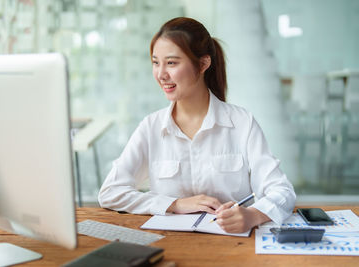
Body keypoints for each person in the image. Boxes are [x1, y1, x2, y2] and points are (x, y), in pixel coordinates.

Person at [98, 17, 296, 233]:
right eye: (156, 62)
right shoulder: (151, 127)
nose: (161, 74)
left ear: (203, 64)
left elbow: (282, 191)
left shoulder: (242, 123)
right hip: (170, 245)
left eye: (171, 63)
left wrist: (252, 215)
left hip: (234, 245)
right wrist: (175, 204)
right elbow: (110, 192)